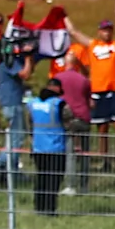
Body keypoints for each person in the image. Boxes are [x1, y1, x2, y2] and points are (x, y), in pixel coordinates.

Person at [26, 72, 70, 215]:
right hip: (56, 147)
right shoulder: (59, 104)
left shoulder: (33, 103)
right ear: (56, 89)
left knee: (41, 178)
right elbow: (70, 122)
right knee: (54, 179)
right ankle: (50, 210)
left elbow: (30, 124)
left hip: (38, 148)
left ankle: (39, 207)